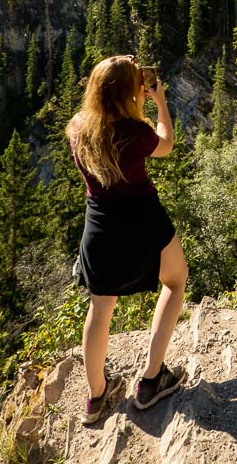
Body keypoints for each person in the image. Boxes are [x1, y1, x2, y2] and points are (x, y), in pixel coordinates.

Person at [66, 55, 188, 424]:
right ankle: (151, 380)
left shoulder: (77, 128)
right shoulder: (135, 133)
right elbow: (166, 144)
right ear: (126, 92)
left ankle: (96, 396)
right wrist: (160, 103)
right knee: (175, 281)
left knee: (100, 310)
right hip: (143, 221)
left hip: (100, 228)